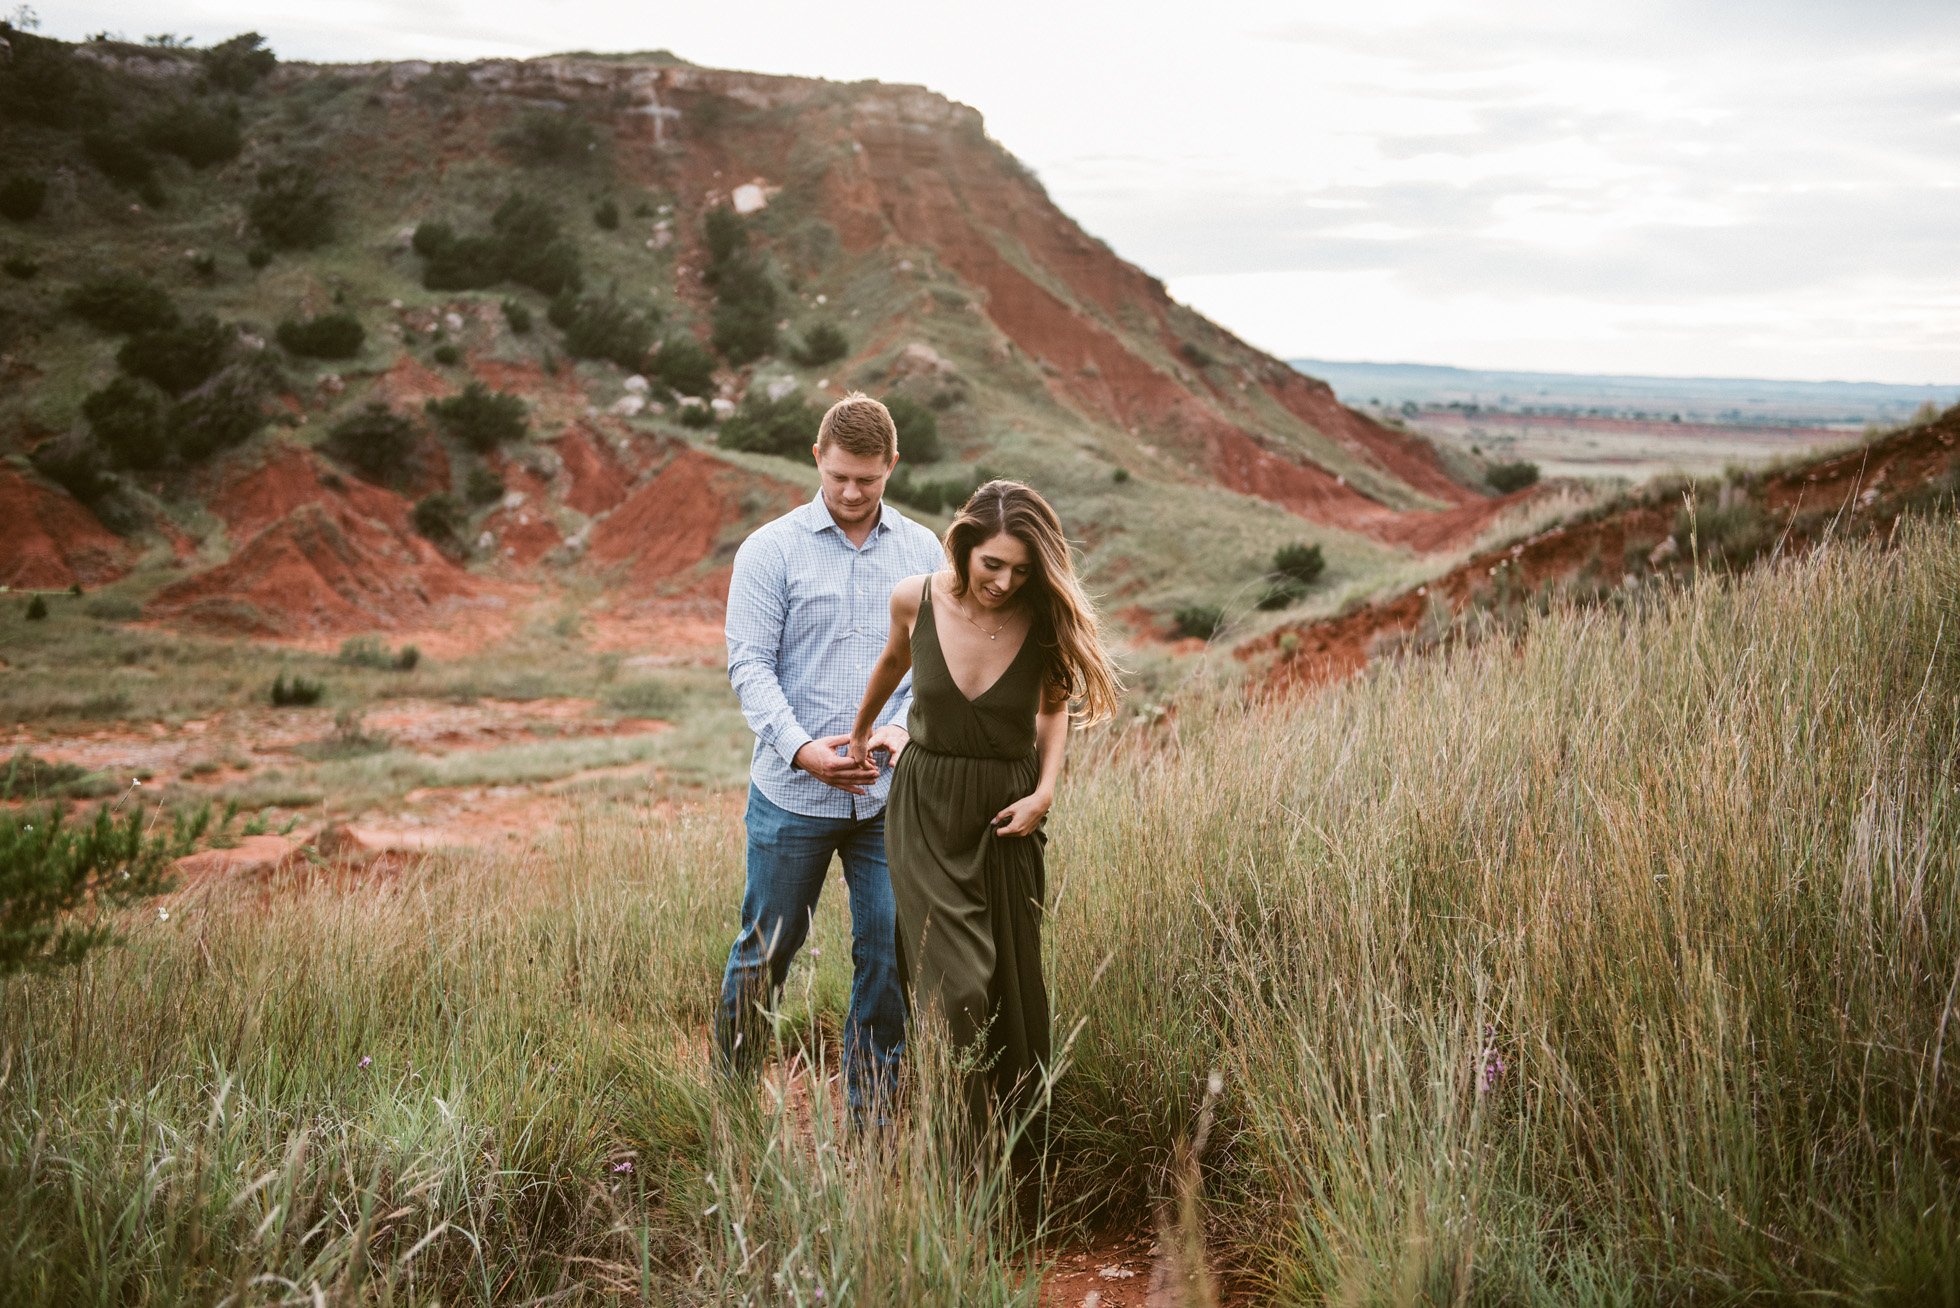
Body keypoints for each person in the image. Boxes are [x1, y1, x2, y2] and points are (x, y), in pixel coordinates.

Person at [848, 480, 1123, 1140]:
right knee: (959, 985)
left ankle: (1010, 1144)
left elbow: (1053, 710)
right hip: (926, 808)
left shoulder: (1043, 619)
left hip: (1006, 813)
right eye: (992, 564)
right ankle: (958, 1152)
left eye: (1021, 571)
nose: (1004, 582)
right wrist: (861, 732)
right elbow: (892, 663)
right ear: (965, 546)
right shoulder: (914, 598)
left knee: (1008, 983)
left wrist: (1045, 793)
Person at [717, 393, 946, 1114]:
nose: (851, 492)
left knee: (888, 958)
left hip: (889, 798)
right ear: (817, 458)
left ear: (892, 466)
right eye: (839, 475)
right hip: (791, 797)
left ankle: (872, 1120)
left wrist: (901, 727)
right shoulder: (769, 550)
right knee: (765, 953)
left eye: (867, 480)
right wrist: (802, 751)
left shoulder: (926, 552)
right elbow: (750, 666)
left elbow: (938, 666)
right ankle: (728, 1106)